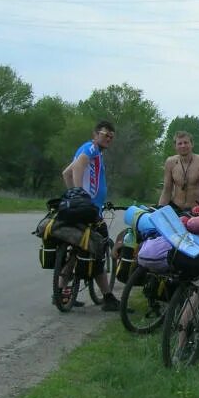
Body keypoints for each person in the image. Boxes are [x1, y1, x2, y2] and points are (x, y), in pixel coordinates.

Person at [60, 119, 119, 311]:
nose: (108, 138)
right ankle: (108, 297)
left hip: (87, 208)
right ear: (95, 135)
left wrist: (71, 196)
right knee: (99, 250)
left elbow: (65, 173)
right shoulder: (92, 148)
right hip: (90, 210)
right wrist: (79, 196)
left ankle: (59, 292)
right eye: (104, 134)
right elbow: (77, 169)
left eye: (111, 136)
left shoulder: (93, 152)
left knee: (77, 252)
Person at [158, 131, 199, 213]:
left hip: (197, 210)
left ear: (192, 144)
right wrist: (159, 210)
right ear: (175, 146)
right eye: (180, 143)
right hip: (176, 208)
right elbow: (167, 190)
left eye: (186, 142)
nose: (183, 146)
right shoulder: (170, 162)